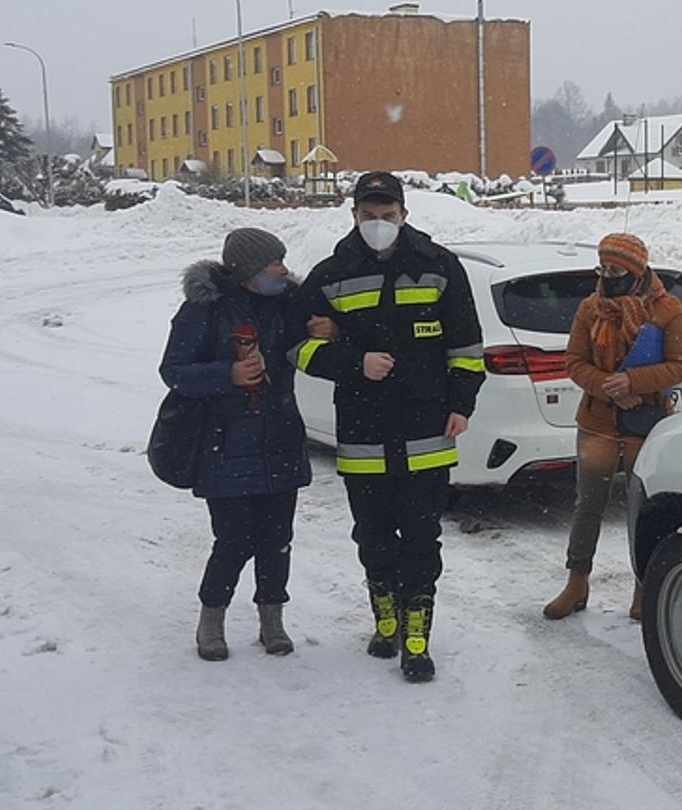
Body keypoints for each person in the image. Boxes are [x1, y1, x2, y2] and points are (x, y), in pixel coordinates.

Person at [289, 171, 485, 683]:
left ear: (404, 215)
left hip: (427, 431)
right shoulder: (331, 274)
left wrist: (462, 403)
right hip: (363, 432)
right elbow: (295, 345)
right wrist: (352, 361)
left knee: (421, 538)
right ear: (354, 216)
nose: (378, 223)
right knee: (372, 537)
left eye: (387, 215)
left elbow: (466, 345)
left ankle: (417, 638)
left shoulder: (439, 266)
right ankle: (386, 618)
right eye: (368, 215)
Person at [160, 227, 317, 662]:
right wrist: (225, 374)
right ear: (248, 270)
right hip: (224, 445)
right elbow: (174, 370)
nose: (283, 270)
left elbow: (312, 339)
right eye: (274, 263)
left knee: (277, 539)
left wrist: (326, 330)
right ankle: (211, 620)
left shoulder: (289, 304)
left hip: (281, 437)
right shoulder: (205, 309)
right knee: (233, 539)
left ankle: (272, 620)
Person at [543, 233, 682, 622]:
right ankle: (577, 582)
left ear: (636, 272)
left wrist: (633, 383)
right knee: (588, 505)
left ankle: (644, 587)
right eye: (603, 269)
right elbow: (574, 361)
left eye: (615, 271)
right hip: (598, 422)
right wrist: (609, 387)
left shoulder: (667, 309)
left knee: (643, 509)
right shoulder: (590, 308)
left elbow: (680, 365)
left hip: (646, 423)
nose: (607, 277)